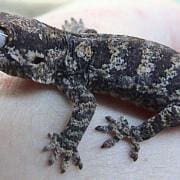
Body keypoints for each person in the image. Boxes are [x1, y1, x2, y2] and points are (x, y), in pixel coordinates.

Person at [0, 0, 180, 179]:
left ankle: (135, 134)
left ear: (37, 59)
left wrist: (68, 141)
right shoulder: (70, 53)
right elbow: (90, 35)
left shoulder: (68, 70)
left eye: (2, 39)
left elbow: (87, 104)